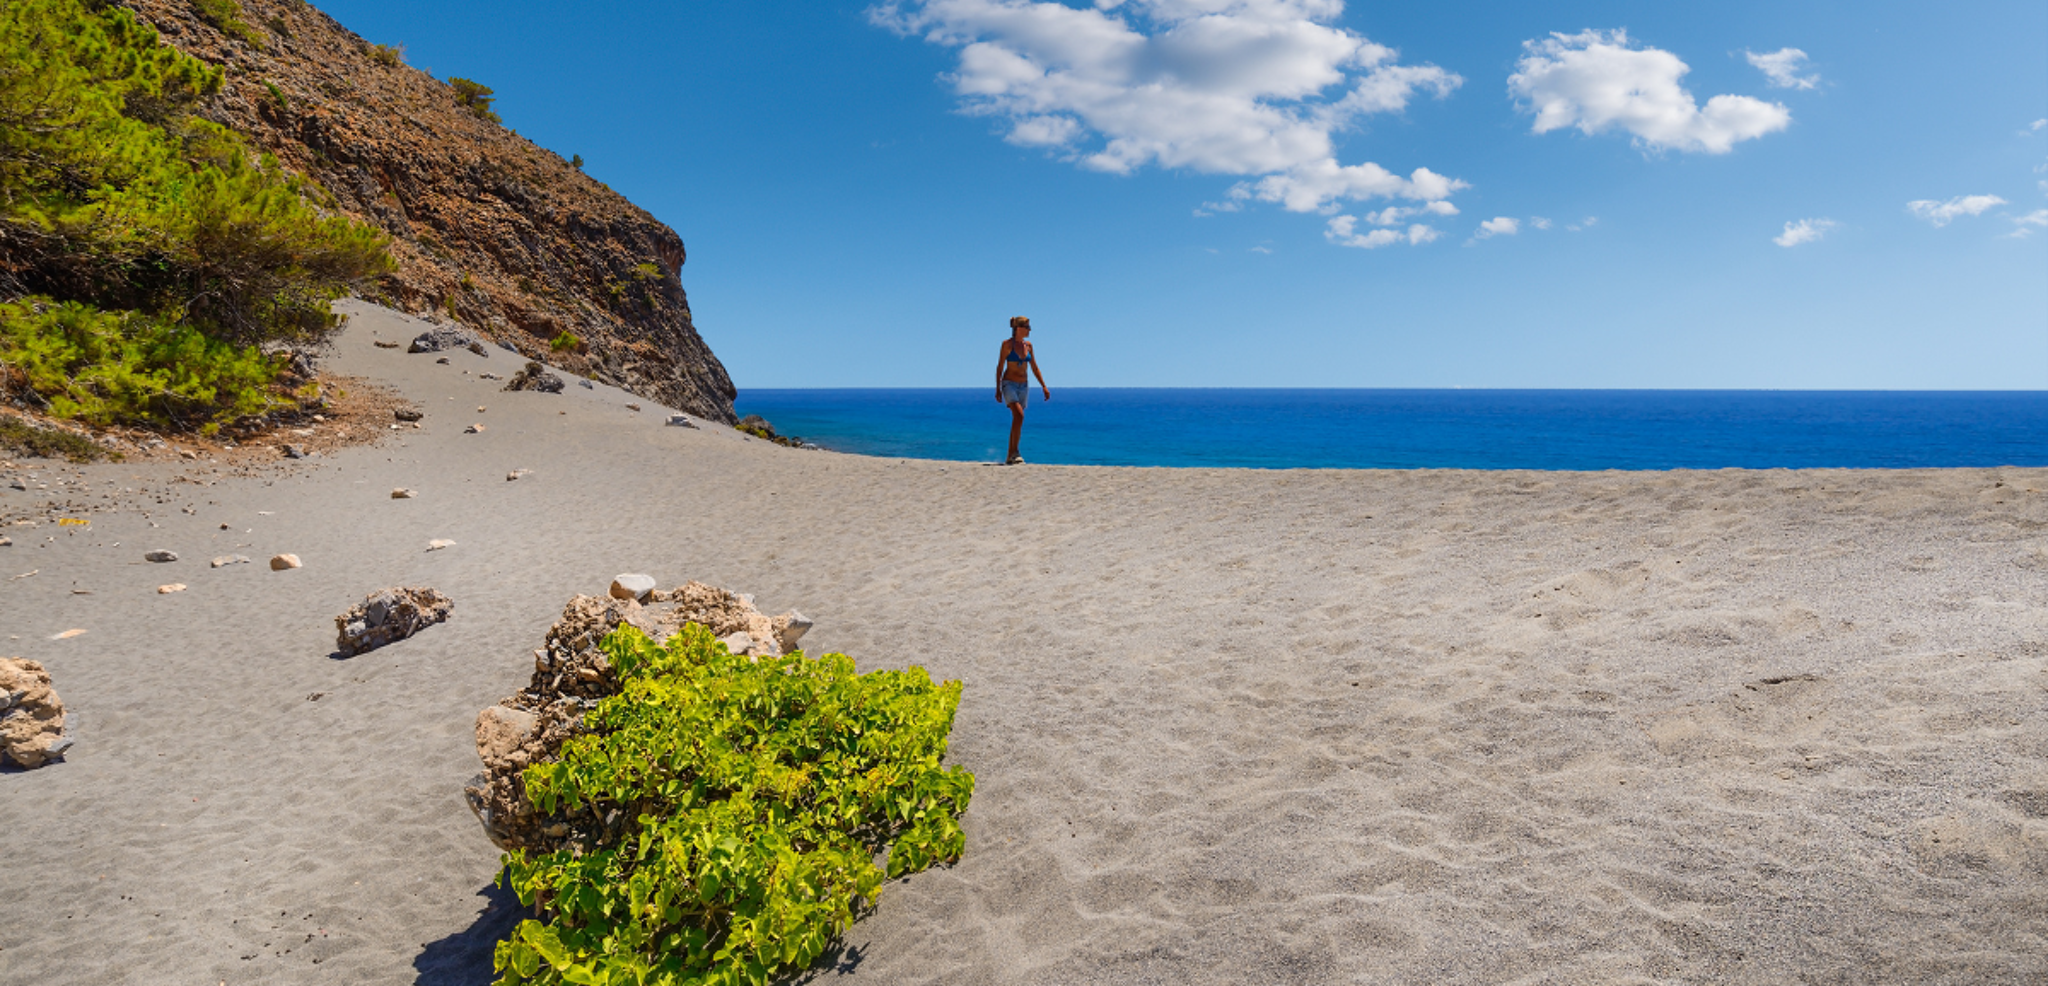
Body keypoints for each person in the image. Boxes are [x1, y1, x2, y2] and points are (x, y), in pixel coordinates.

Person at [995, 315, 1050, 465]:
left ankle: (1011, 454)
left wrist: (1044, 386)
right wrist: (998, 389)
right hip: (1009, 384)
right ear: (1019, 328)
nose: (1029, 330)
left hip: (1023, 386)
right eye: (1027, 327)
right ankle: (1015, 452)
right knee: (1019, 415)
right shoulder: (1007, 345)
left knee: (1018, 419)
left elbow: (1034, 367)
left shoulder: (1029, 346)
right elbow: (1000, 367)